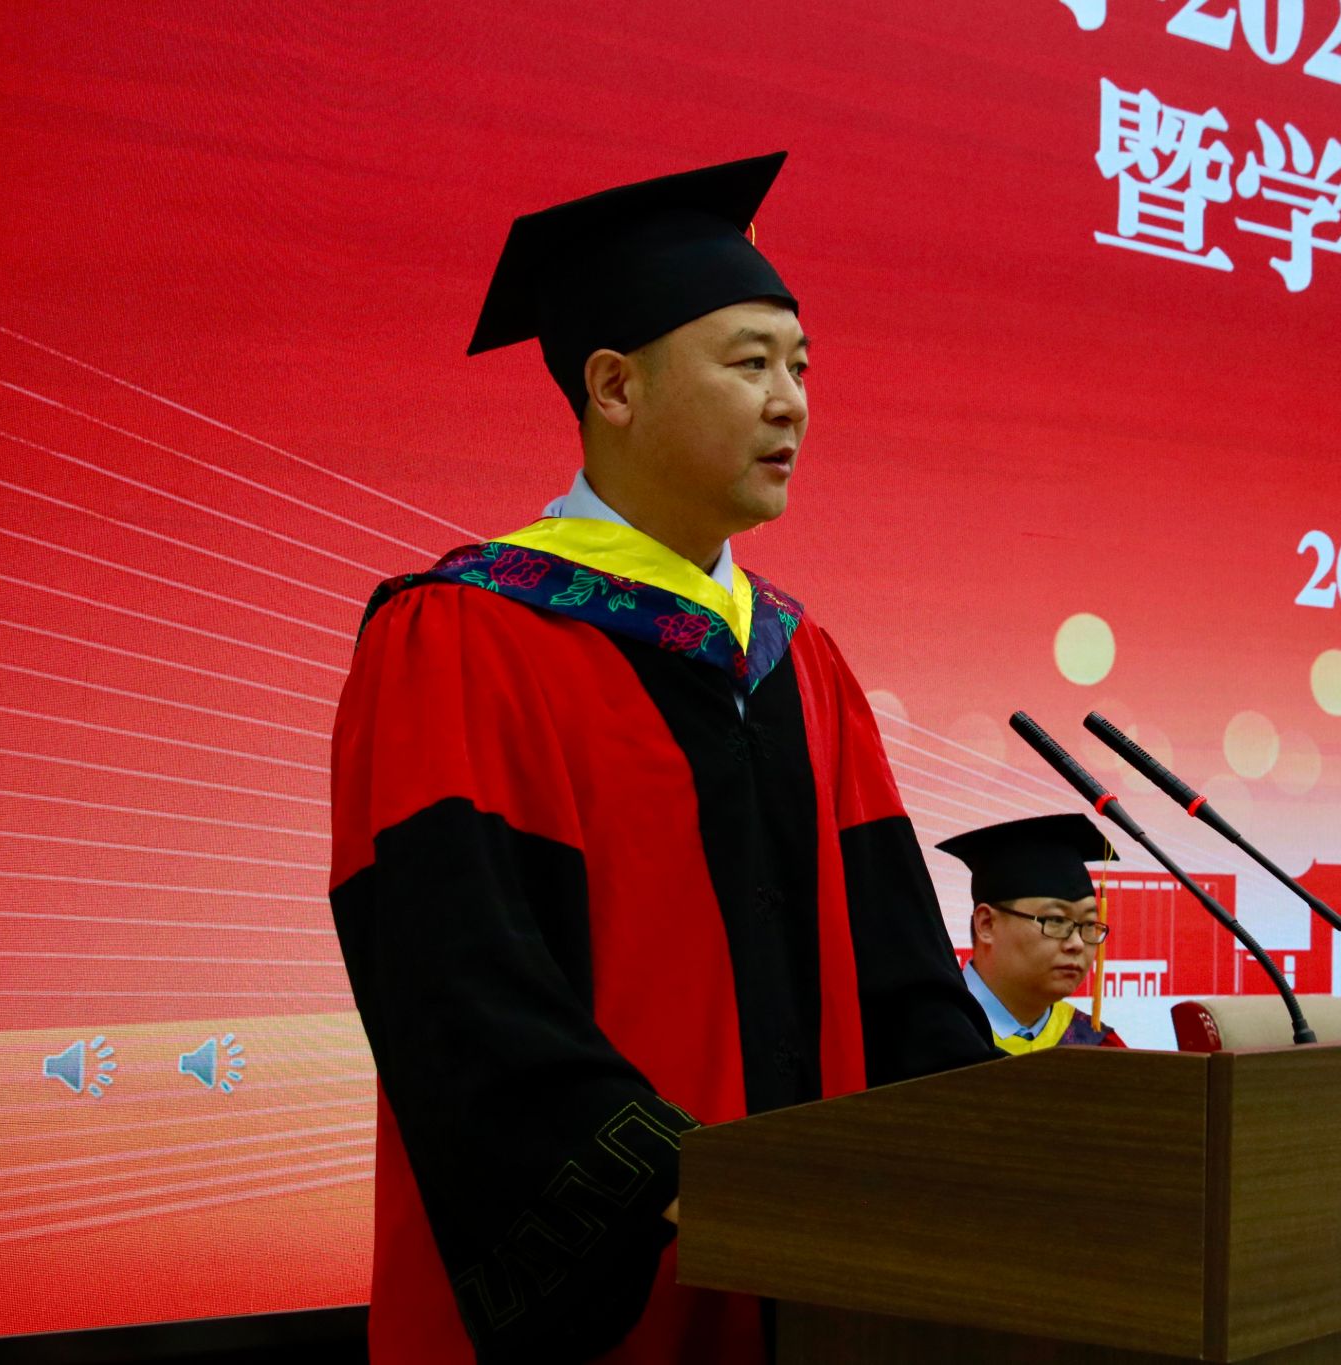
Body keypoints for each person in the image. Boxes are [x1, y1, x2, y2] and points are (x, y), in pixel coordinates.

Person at [328, 152, 997, 1365]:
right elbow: (454, 981)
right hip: (616, 1298)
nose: (790, 403)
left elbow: (900, 972)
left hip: (818, 1287)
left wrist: (995, 1147)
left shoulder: (798, 660)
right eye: (749, 364)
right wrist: (664, 1185)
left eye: (800, 367)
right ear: (614, 387)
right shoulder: (465, 636)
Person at [937, 814, 1126, 1052]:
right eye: (1056, 920)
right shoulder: (923, 1033)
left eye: (1089, 924)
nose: (1077, 943)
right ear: (986, 924)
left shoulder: (1095, 1046)